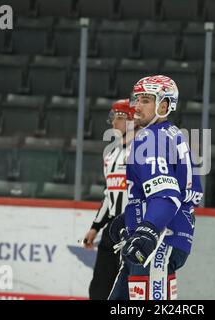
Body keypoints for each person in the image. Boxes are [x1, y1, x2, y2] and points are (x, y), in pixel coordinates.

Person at [108, 75, 203, 300]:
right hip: (162, 237)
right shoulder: (172, 133)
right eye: (137, 99)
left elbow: (166, 195)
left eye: (146, 101)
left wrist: (147, 229)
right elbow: (170, 190)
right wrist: (130, 218)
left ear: (163, 106)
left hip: (157, 243)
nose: (137, 106)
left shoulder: (150, 139)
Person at [81, 99, 136, 300]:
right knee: (99, 288)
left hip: (133, 228)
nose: (113, 123)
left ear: (132, 120)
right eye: (113, 117)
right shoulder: (111, 154)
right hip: (111, 229)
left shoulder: (142, 151)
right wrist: (95, 226)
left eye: (119, 117)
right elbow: (109, 195)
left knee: (128, 288)